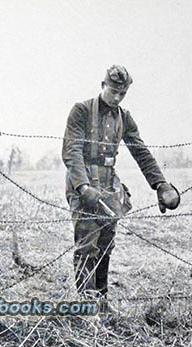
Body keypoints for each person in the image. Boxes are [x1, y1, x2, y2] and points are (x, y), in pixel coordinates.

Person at [62, 65, 180, 306]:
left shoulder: (124, 117)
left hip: (109, 185)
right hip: (82, 183)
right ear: (102, 85)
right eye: (113, 91)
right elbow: (71, 151)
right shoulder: (81, 111)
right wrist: (83, 188)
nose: (116, 97)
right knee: (87, 246)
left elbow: (141, 151)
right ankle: (87, 309)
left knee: (106, 245)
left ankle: (101, 304)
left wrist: (160, 185)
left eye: (122, 93)